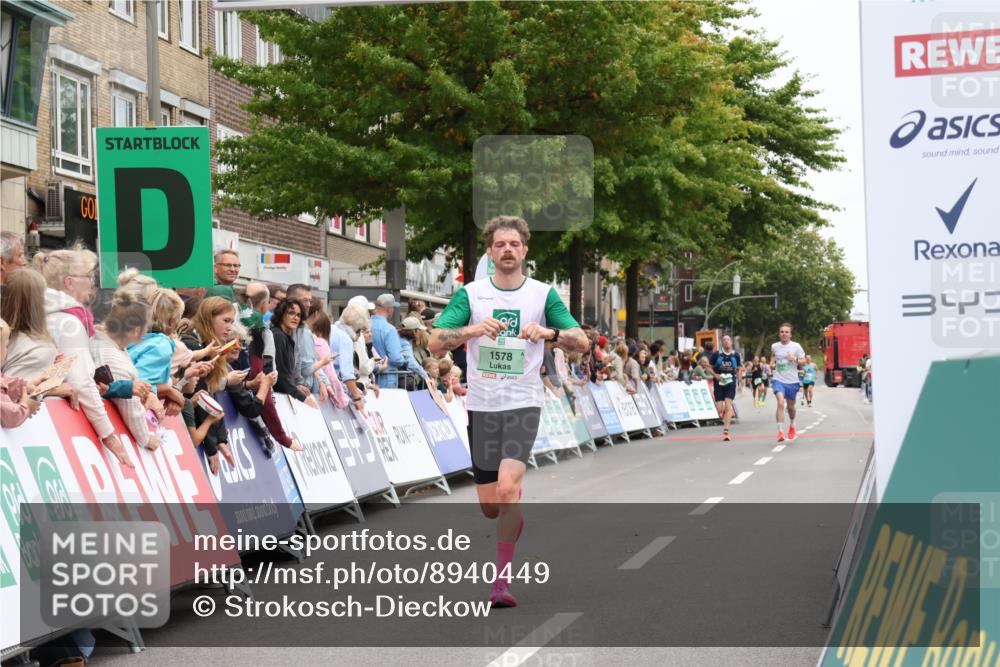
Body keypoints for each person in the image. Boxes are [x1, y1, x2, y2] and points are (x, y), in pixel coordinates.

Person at [428, 215, 587, 608]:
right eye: (500, 244)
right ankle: (510, 514)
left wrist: (548, 333)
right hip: (482, 406)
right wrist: (473, 330)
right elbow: (434, 343)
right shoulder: (472, 295)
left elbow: (582, 341)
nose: (508, 250)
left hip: (522, 403)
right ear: (489, 251)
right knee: (489, 506)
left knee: (506, 489)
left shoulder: (542, 295)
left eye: (514, 244)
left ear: (525, 249)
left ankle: (500, 584)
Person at [34, 247, 130, 466]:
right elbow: (81, 381)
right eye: (88, 276)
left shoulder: (40, 312)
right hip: (50, 423)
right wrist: (109, 434)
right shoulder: (69, 322)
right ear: (69, 283)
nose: (92, 283)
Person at [91, 291, 162, 450]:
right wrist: (146, 438)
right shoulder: (114, 362)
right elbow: (130, 410)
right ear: (137, 330)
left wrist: (148, 393)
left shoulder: (101, 335)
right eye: (146, 326)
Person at [0, 271, 78, 411]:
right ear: (38, 301)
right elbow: (13, 395)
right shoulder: (37, 348)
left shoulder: (5, 335)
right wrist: (50, 390)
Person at [269, 298, 318, 408]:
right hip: (275, 398)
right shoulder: (277, 336)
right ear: (281, 314)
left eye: (298, 315)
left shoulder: (287, 338)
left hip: (284, 395)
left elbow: (287, 374)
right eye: (291, 313)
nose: (295, 318)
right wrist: (302, 398)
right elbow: (280, 376)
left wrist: (296, 386)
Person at [329, 304, 371, 416]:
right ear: (356, 327)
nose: (360, 335)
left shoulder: (332, 329)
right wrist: (357, 398)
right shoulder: (345, 339)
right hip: (332, 384)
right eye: (360, 330)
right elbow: (347, 374)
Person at [771, 323, 806, 442]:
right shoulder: (775, 346)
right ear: (779, 333)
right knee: (780, 403)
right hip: (778, 379)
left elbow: (804, 361)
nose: (784, 334)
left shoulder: (796, 346)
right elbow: (773, 357)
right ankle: (780, 432)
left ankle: (792, 426)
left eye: (786, 332)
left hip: (792, 381)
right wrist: (772, 363)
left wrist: (795, 359)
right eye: (782, 332)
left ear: (790, 334)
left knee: (791, 407)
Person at [308, 309, 349, 408]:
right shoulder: (321, 344)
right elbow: (329, 372)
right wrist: (341, 398)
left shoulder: (304, 339)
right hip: (320, 392)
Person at [709, 334, 741, 442]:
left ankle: (726, 432)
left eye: (728, 340)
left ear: (731, 342)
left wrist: (739, 381)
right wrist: (716, 376)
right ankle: (724, 415)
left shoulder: (735, 355)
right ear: (722, 342)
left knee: (728, 406)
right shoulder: (716, 355)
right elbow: (709, 368)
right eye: (724, 340)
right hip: (718, 383)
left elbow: (738, 369)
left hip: (730, 383)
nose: (726, 342)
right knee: (720, 409)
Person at [371, 293, 407, 388]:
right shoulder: (389, 329)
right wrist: (404, 360)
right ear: (389, 309)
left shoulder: (366, 324)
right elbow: (396, 358)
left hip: (369, 376)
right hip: (386, 378)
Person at [398, 316, 431, 388]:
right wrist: (425, 375)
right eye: (419, 330)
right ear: (415, 331)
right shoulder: (404, 343)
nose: (420, 332)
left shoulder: (400, 339)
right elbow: (410, 362)